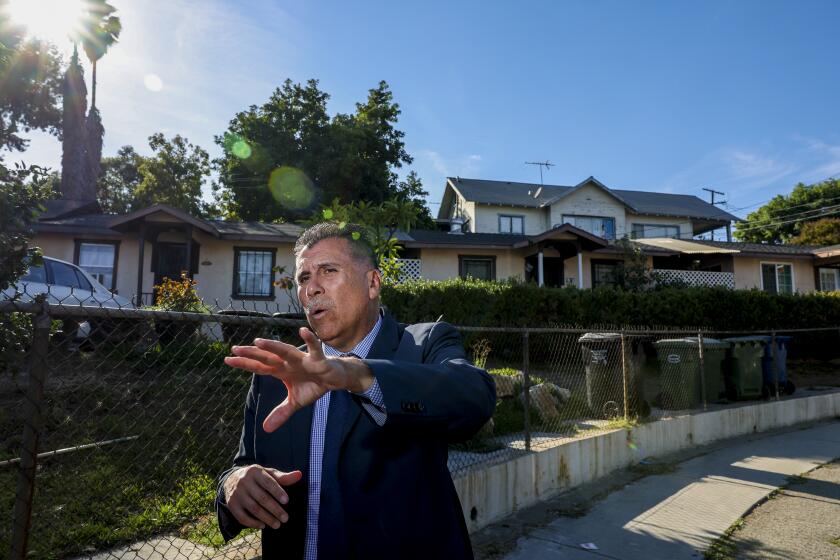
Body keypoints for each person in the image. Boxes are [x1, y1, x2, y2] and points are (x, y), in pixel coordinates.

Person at [216, 222, 496, 559]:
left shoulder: (424, 345)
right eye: (304, 278)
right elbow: (242, 465)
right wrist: (234, 484)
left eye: (328, 271)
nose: (311, 289)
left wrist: (356, 374)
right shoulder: (275, 375)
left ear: (372, 282)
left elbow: (475, 397)